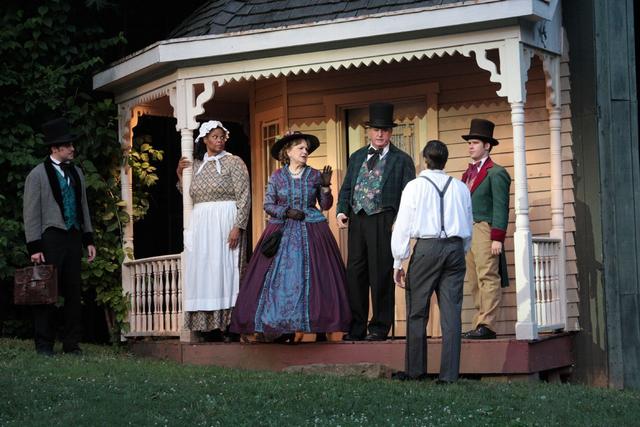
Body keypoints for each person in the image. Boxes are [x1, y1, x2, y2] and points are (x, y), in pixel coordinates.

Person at [230, 131, 351, 341]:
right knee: (279, 278)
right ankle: (282, 328)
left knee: (318, 277)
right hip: (282, 229)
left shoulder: (314, 175)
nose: (305, 152)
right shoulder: (277, 176)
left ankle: (320, 326)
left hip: (312, 227)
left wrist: (325, 187)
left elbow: (325, 205)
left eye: (306, 149)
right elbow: (268, 204)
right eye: (300, 148)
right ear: (288, 152)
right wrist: (286, 211)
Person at [390, 140, 473, 382]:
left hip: (427, 249)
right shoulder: (460, 188)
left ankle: (416, 371)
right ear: (445, 161)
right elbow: (468, 224)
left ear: (425, 160)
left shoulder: (415, 187)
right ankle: (449, 375)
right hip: (455, 249)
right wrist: (461, 250)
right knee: (451, 313)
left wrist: (398, 260)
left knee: (417, 311)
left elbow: (403, 225)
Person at [336, 102, 415, 341]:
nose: (380, 134)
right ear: (369, 131)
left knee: (381, 274)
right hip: (358, 220)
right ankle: (356, 327)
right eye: (376, 129)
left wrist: (400, 222)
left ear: (390, 132)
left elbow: (409, 196)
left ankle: (379, 327)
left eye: (384, 130)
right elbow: (347, 187)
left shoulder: (402, 160)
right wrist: (341, 211)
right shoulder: (357, 156)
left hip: (384, 220)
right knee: (356, 273)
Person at [23, 117, 97, 356]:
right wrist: (34, 246)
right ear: (55, 148)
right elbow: (31, 212)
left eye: (71, 144)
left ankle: (71, 344)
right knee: (46, 291)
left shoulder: (76, 172)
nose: (72, 149)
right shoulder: (37, 175)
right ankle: (44, 344)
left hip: (73, 236)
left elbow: (83, 206)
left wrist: (88, 239)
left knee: (73, 292)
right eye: (67, 145)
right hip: (50, 238)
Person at [176, 120, 250, 341]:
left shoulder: (234, 162)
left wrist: (238, 226)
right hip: (202, 224)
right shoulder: (197, 165)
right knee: (205, 272)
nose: (219, 140)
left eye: (222, 137)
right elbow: (188, 194)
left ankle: (231, 326)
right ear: (205, 140)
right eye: (215, 137)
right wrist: (180, 174)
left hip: (226, 221)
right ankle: (209, 328)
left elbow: (244, 196)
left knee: (226, 270)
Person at [461, 118, 511, 340]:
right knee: (474, 279)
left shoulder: (496, 172)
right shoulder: (468, 173)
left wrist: (497, 236)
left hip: (484, 228)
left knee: (488, 276)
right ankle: (479, 323)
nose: (470, 146)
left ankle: (487, 325)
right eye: (469, 143)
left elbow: (501, 206)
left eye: (475, 143)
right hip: (468, 230)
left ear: (487, 145)